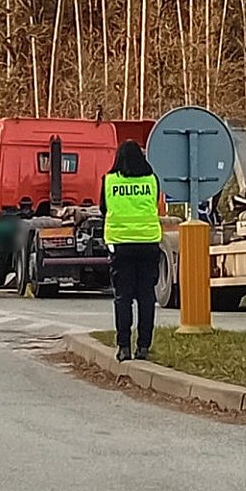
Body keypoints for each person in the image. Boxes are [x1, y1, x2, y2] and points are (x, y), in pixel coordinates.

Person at [100, 140, 163, 362]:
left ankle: (124, 346)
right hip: (148, 244)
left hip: (121, 246)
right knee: (147, 297)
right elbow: (154, 204)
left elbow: (103, 209)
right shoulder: (152, 179)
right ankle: (144, 346)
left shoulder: (109, 181)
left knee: (122, 297)